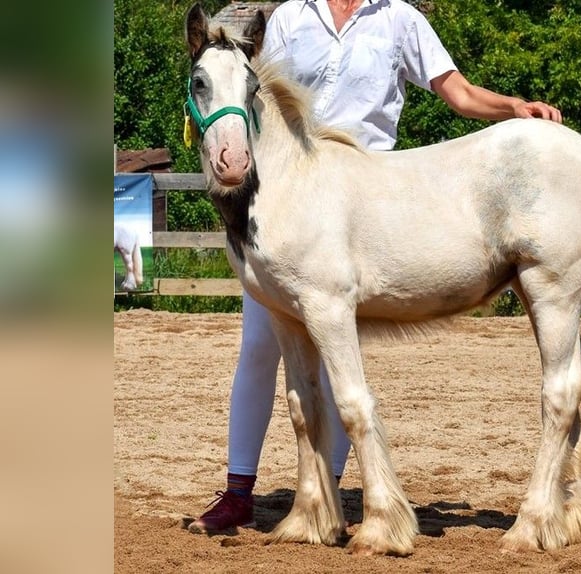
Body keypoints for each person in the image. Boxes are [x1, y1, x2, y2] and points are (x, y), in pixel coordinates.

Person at [189, 0, 561, 533]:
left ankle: (326, 495)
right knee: (258, 348)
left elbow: (456, 91)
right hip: (289, 184)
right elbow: (243, 82)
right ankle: (239, 490)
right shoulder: (292, 16)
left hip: (369, 188)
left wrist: (512, 107)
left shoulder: (400, 18)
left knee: (337, 359)